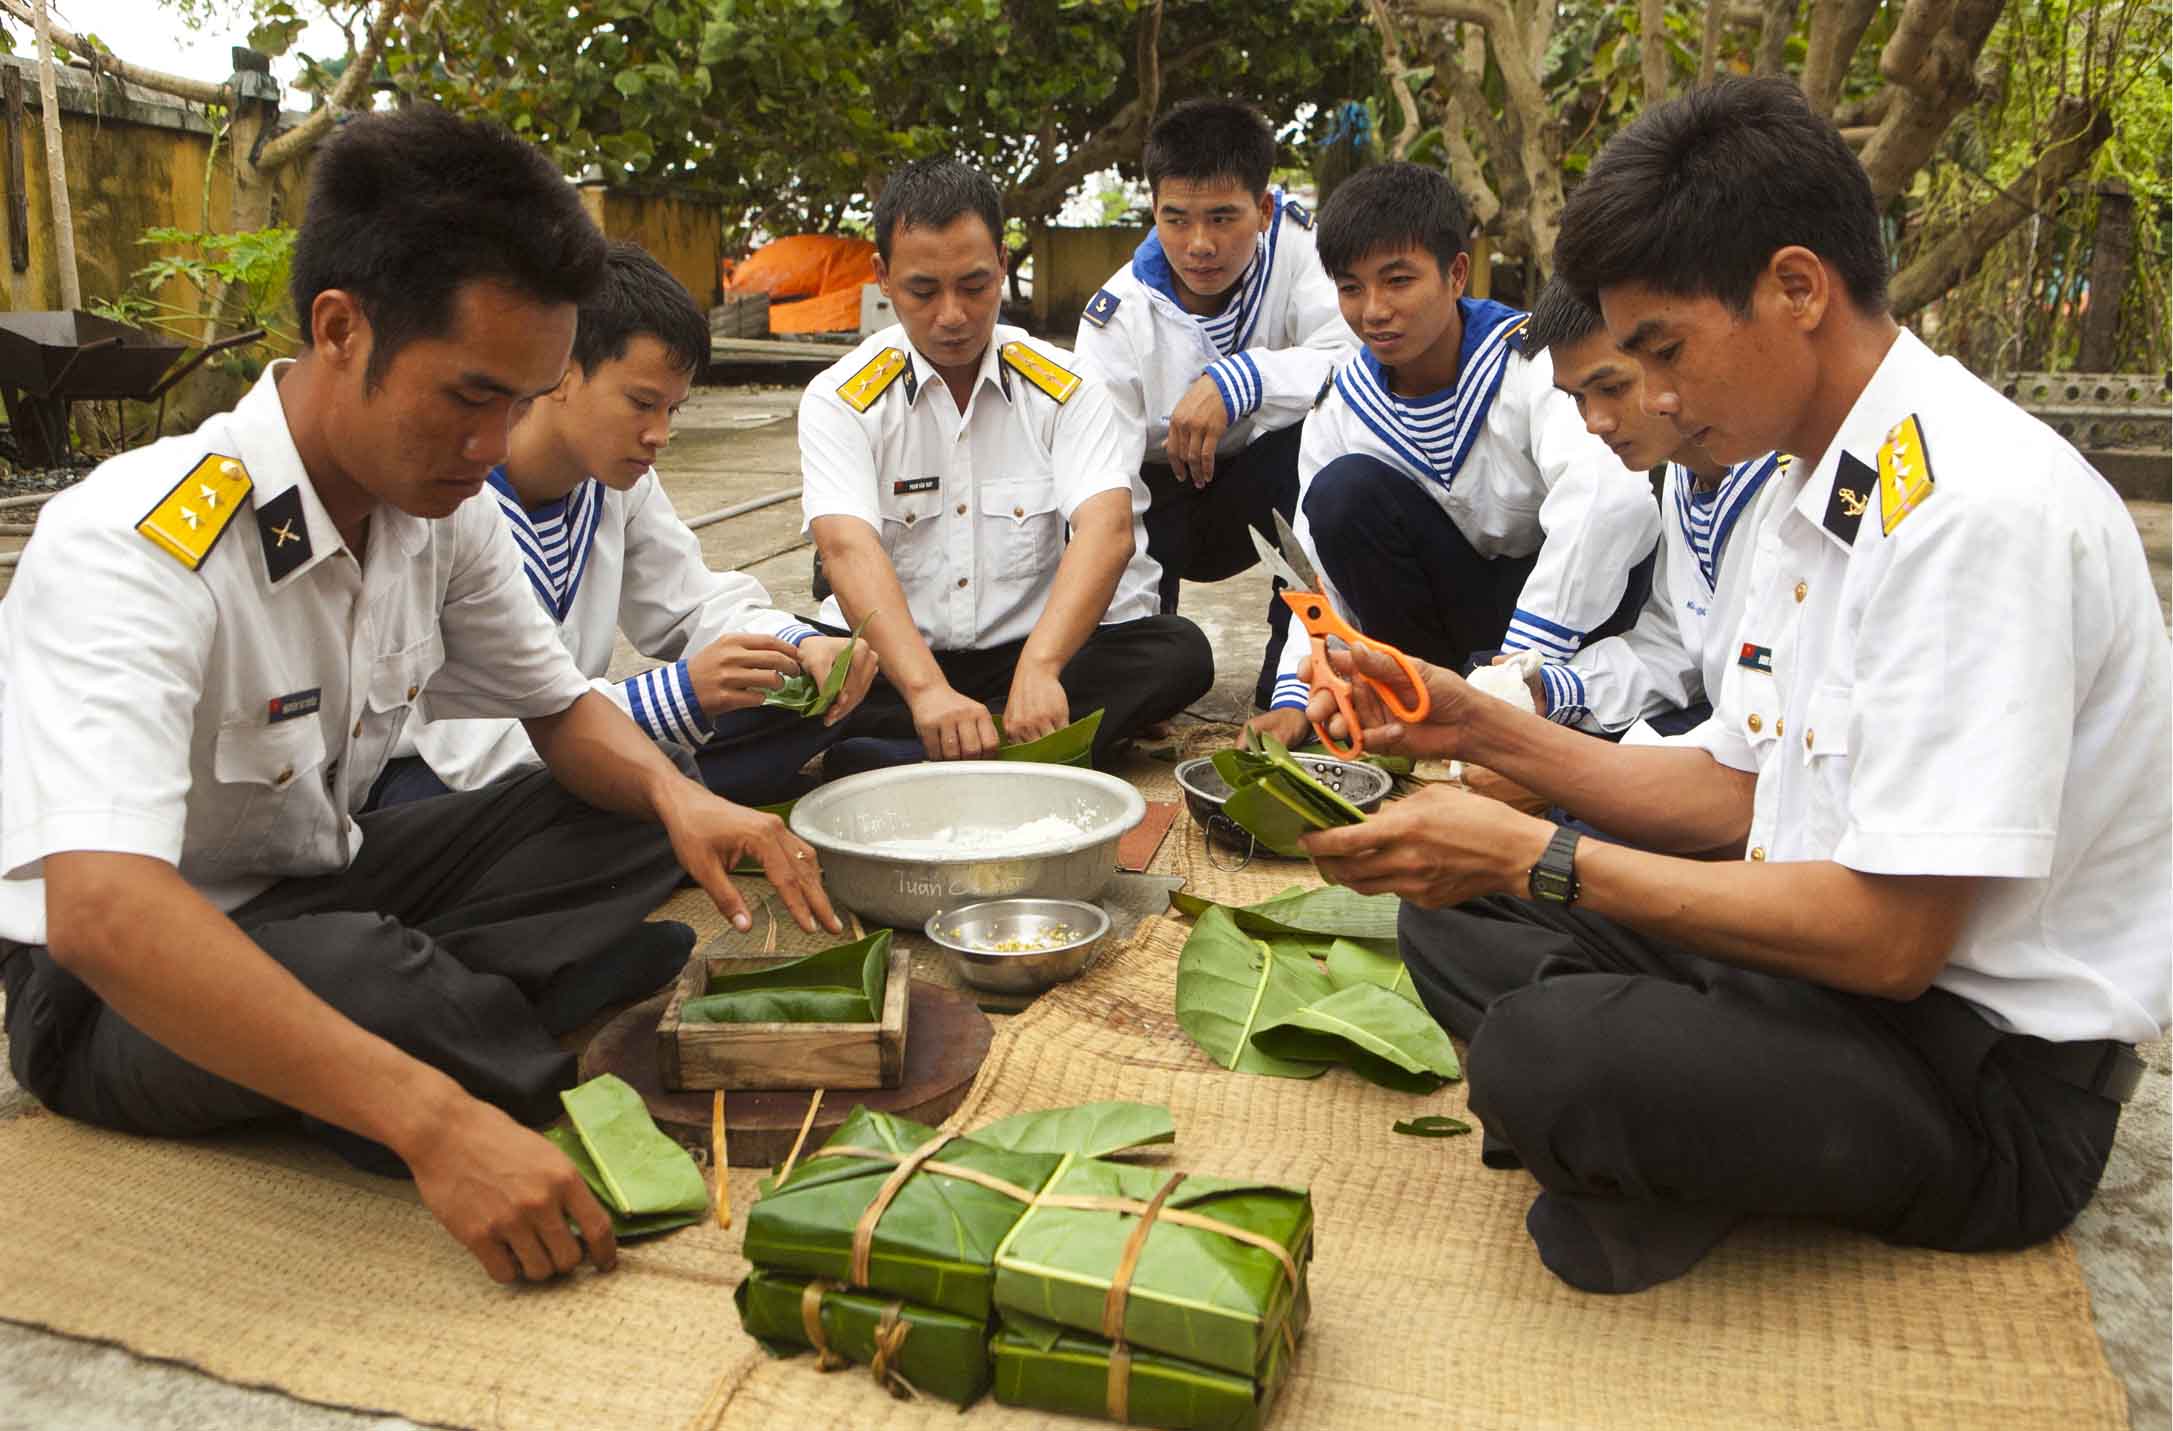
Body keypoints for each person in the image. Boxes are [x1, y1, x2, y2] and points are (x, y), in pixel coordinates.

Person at [1297, 77, 2169, 1296]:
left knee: (1545, 1042)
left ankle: (1640, 1133)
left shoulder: (1972, 511)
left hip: (1985, 1084)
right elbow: (1730, 789)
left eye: (1664, 352)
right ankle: (1662, 1140)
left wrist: (1530, 854)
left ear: (1797, 289)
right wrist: (1469, 720)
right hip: (1817, 990)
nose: (1649, 400)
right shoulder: (1826, 484)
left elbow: (1891, 944)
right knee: (1446, 917)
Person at [0, 109, 843, 1288]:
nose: (494, 441)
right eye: (470, 396)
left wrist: (677, 800)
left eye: (525, 400)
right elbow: (102, 912)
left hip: (327, 889)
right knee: (364, 975)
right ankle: (464, 1056)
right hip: (110, 995)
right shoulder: (132, 544)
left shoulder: (439, 511)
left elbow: (562, 711)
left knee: (638, 806)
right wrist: (434, 1128)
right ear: (341, 329)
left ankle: (428, 1013)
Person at [373, 241, 876, 808]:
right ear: (558, 370)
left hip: (579, 735)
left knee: (804, 694)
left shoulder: (615, 482)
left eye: (673, 409)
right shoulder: (446, 496)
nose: (659, 433)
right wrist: (675, 696)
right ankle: (665, 806)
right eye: (641, 403)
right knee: (526, 808)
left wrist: (799, 644)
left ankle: (660, 805)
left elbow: (688, 602)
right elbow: (469, 741)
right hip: (448, 772)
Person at [799, 158, 1212, 769]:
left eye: (973, 285)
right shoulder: (840, 398)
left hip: (1026, 654)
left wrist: (1042, 667)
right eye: (922, 290)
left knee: (1178, 652)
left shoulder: (1065, 386)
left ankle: (913, 755)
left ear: (1003, 265)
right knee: (785, 678)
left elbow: (1108, 532)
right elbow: (845, 551)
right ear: (882, 276)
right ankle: (1010, 745)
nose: (952, 315)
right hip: (896, 661)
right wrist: (927, 690)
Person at [1251, 162, 1659, 747]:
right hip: (1448, 620)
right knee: (1339, 496)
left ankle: (1507, 704)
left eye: (1398, 281)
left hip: (1568, 621)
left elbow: (1610, 502)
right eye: (1350, 287)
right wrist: (1299, 694)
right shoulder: (1340, 405)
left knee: (1609, 513)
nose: (1374, 310)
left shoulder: (1534, 362)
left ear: (1456, 273)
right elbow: (1313, 575)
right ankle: (1426, 698)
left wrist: (1518, 672)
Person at [1071, 98, 1356, 709]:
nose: (1200, 244)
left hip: (1264, 486)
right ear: (1153, 210)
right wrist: (1133, 649)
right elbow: (1110, 494)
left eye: (1224, 218)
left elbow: (1357, 357)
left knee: (1326, 437)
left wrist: (1243, 379)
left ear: (1264, 209)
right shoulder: (1113, 322)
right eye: (1176, 220)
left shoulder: (1305, 252)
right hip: (1163, 504)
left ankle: (1301, 661)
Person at [1514, 275, 1786, 741]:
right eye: (1577, 399)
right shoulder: (1684, 474)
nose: (1594, 422)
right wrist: (1557, 690)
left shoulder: (1788, 480)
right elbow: (1677, 642)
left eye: (1613, 388)